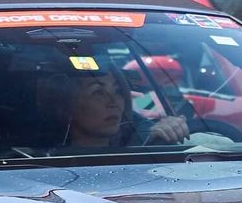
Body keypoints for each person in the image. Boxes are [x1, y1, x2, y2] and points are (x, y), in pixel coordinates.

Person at [43, 63, 189, 149]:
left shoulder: (140, 136)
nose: (113, 102)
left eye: (118, 90)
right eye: (98, 92)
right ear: (67, 106)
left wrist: (167, 131)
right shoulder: (43, 161)